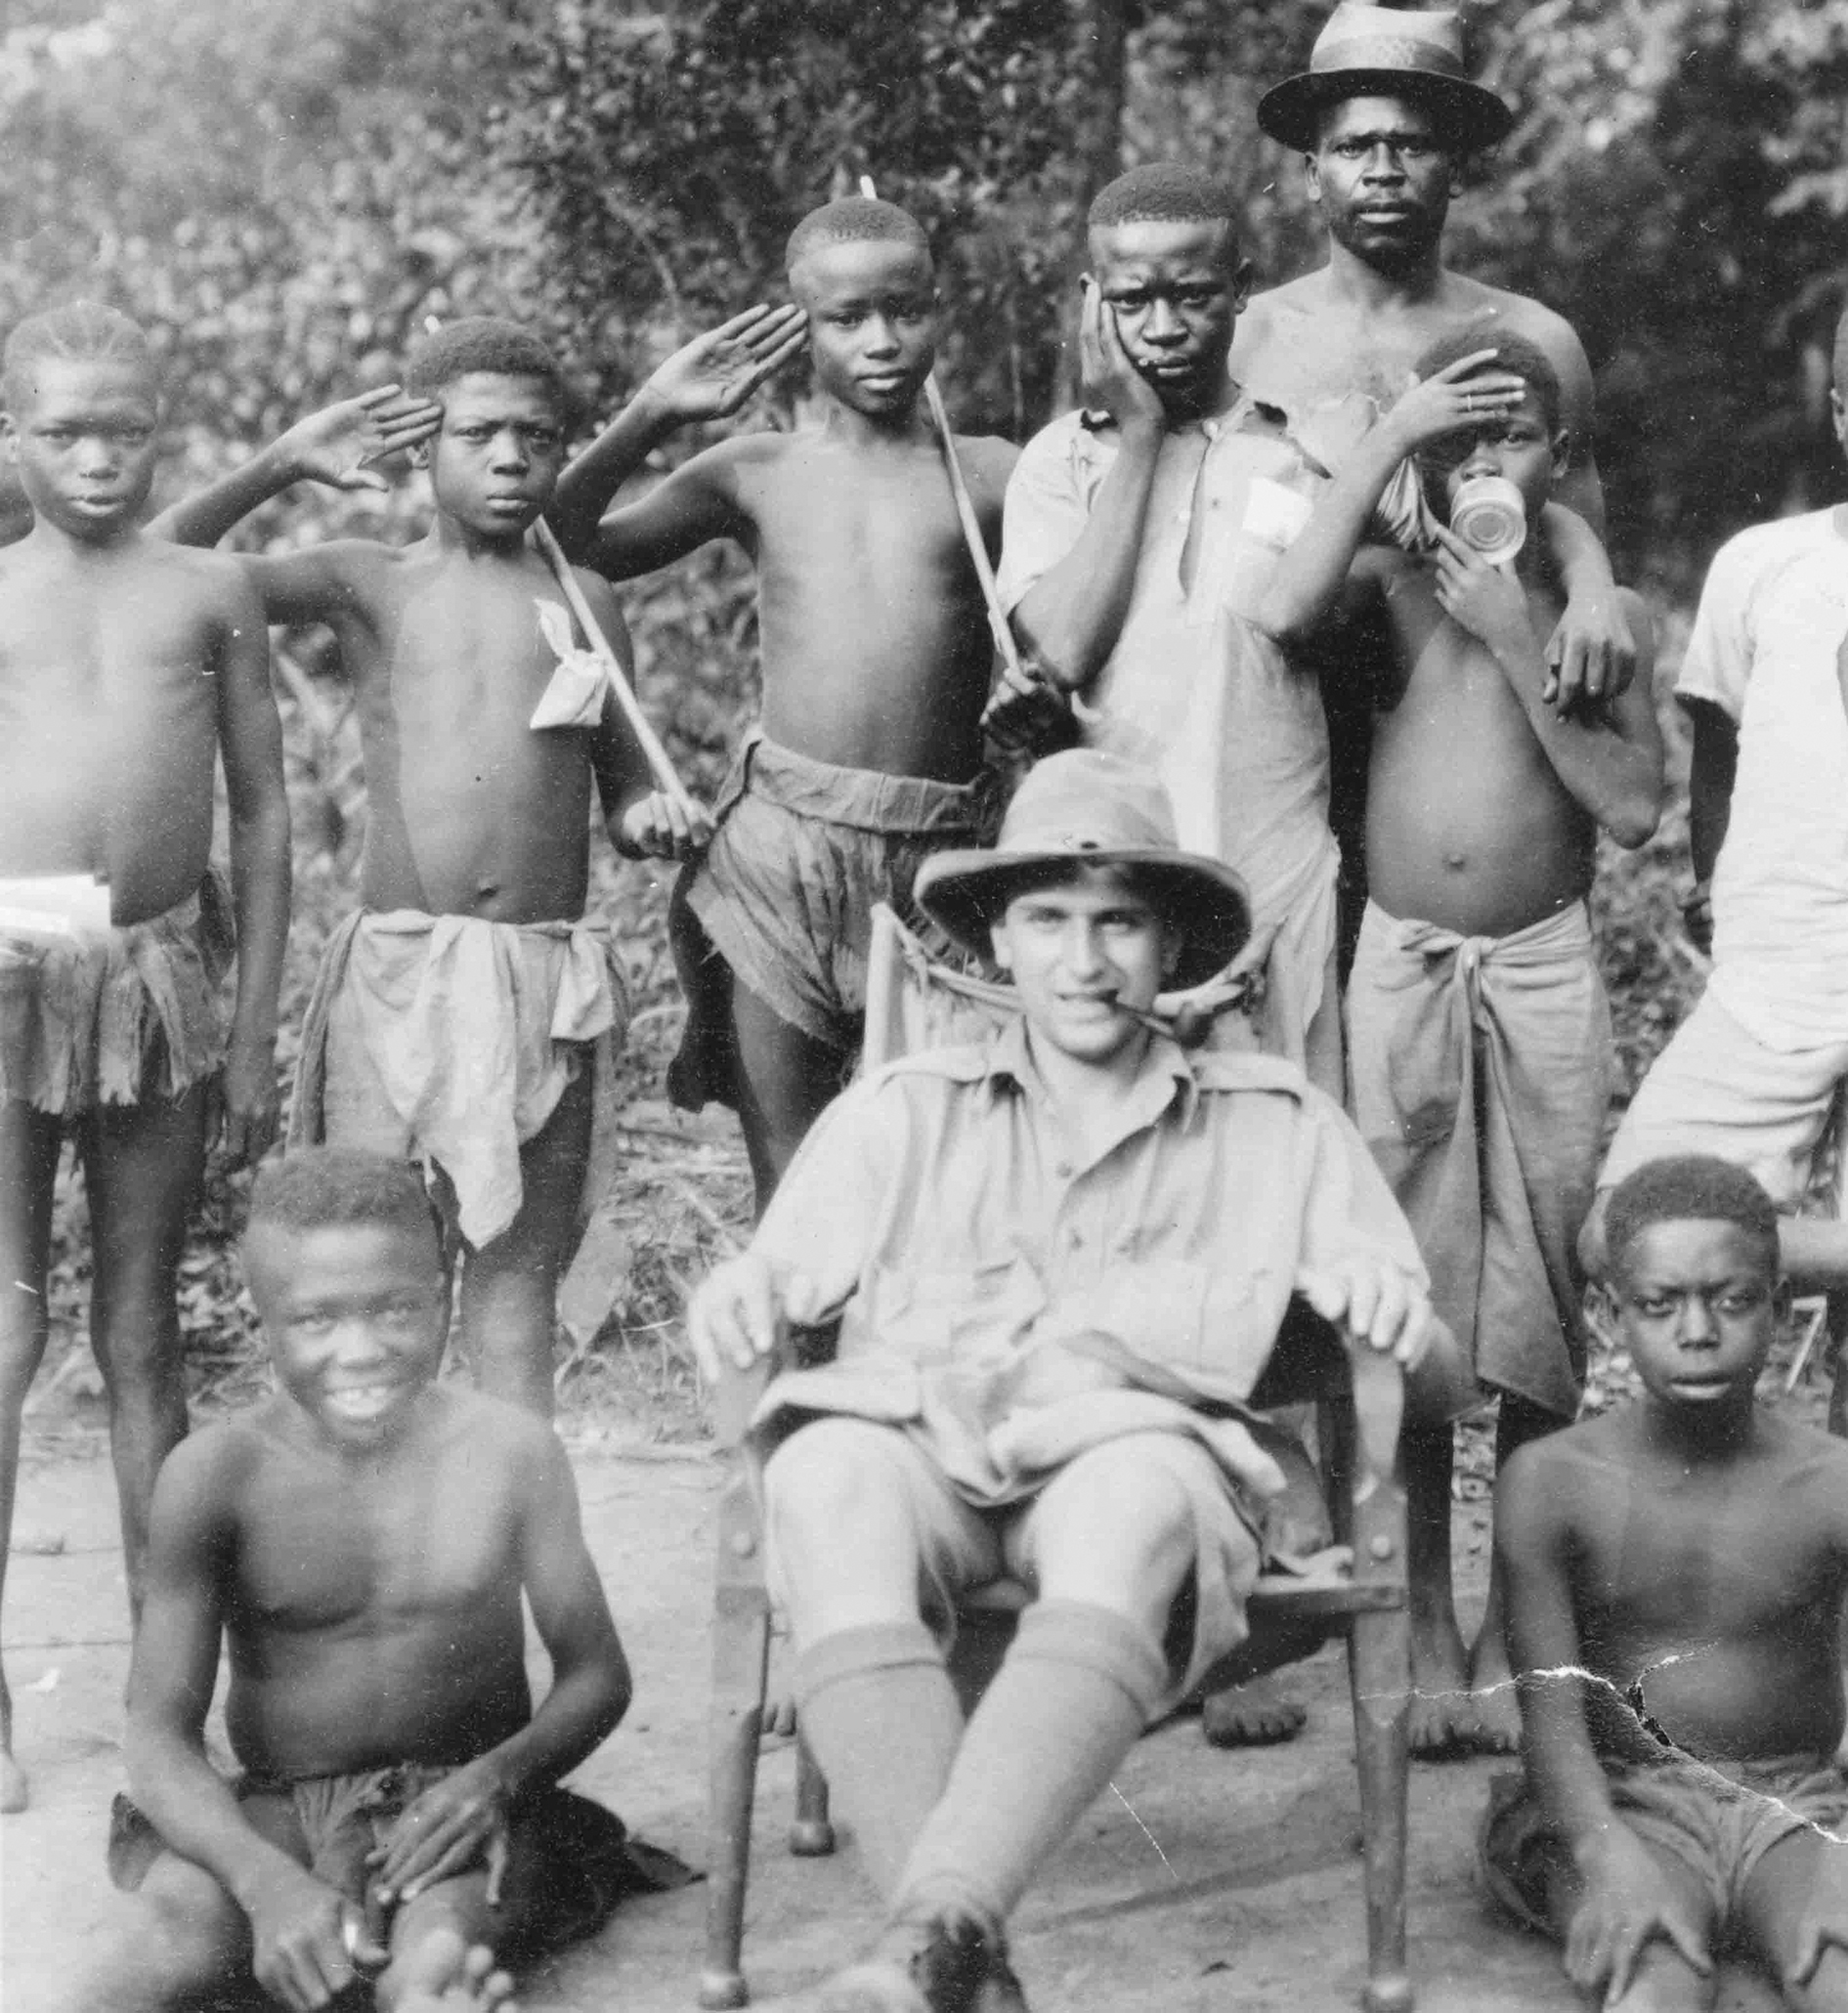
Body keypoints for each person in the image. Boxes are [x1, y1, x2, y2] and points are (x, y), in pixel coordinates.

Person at [688, 750, 1459, 2013]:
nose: (1083, 959)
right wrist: (738, 1295)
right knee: (822, 1471)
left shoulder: (1269, 1124)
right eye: (1046, 920)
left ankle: (922, 1948)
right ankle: (952, 1956)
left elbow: (1432, 1389)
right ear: (998, 940)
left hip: (1125, 1473)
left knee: (1137, 1486)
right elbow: (768, 1285)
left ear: (1169, 947)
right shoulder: (901, 1112)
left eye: (1118, 922)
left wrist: (1397, 1318)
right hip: (920, 1453)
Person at [153, 318, 709, 1419]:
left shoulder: (582, 599)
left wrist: (654, 814)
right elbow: (161, 562)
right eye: (479, 434)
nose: (511, 458)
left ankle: (497, 1561)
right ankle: (370, 1556)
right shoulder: (370, 582)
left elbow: (626, 777)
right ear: (422, 447)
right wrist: (279, 461)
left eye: (537, 438)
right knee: (376, 1276)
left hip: (539, 983)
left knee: (512, 1291)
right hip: (398, 978)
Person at [1259, 330, 1662, 1754]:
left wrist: (1539, 608)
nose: (1485, 469)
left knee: (1538, 1302)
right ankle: (1423, 1615)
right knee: (1413, 1303)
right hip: (1403, 970)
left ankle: (1513, 1628)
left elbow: (1627, 810)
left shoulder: (1593, 622)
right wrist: (1388, 469)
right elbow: (1277, 607)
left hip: (1541, 970)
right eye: (1458, 442)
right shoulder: (1381, 591)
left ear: (1562, 462)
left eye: (1517, 443)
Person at [64, 1148, 684, 2013]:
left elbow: (596, 1675)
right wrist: (263, 1883)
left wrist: (499, 1780)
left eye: (394, 1309)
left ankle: (435, 1991)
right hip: (277, 1813)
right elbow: (158, 1736)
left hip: (458, 1804)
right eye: (316, 1321)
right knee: (168, 1942)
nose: (360, 1352)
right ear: (263, 1320)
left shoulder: (509, 1454)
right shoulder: (215, 1474)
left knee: (437, 1941)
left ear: (443, 1294)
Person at [546, 196, 1014, 1210]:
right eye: (847, 318)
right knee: (793, 1188)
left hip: (940, 858)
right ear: (801, 328)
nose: (882, 340)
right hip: (777, 856)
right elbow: (562, 543)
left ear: (943, 312)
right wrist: (649, 416)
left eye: (907, 310)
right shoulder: (755, 472)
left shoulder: (990, 476)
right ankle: (794, 1362)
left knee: (947, 1170)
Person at [0, 302, 291, 1814]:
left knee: (140, 1338)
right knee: (3, 1328)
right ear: (13, 440)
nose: (99, 460)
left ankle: (155, 1693)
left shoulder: (212, 587)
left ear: (163, 428)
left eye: (125, 430)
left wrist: (252, 1030)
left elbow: (265, 810)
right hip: (7, 970)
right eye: (64, 433)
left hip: (163, 975)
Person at [1236, 3, 1636, 962]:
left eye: (1412, 146)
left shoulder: (1530, 338)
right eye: (1354, 146)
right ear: (1310, 170)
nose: (1382, 169)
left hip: (1460, 708)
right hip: (1289, 702)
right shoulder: (1254, 336)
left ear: (1455, 165)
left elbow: (1570, 525)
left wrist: (1589, 594)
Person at [996, 162, 1348, 1098]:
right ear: (1090, 302)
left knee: (1273, 1141)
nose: (1160, 327)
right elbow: (1061, 650)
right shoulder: (1059, 464)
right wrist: (1142, 435)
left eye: (1191, 296)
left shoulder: (1309, 451)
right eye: (1131, 300)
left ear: (1240, 290)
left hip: (1274, 875)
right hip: (1117, 888)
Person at [1484, 1155, 1848, 2013]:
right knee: (1652, 1983)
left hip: (1793, 1799)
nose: (1696, 1330)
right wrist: (1606, 1855)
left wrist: (1839, 1871)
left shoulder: (1833, 1482)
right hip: (1614, 1800)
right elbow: (1549, 1717)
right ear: (1612, 1315)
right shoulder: (1550, 1480)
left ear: (1777, 1306)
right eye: (1659, 1304)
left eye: (1730, 1300)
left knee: (1836, 1975)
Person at [1585, 300, 1848, 1384]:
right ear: (1838, 413)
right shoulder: (1765, 565)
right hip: (1782, 966)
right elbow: (1723, 741)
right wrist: (1716, 882)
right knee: (1627, 1221)